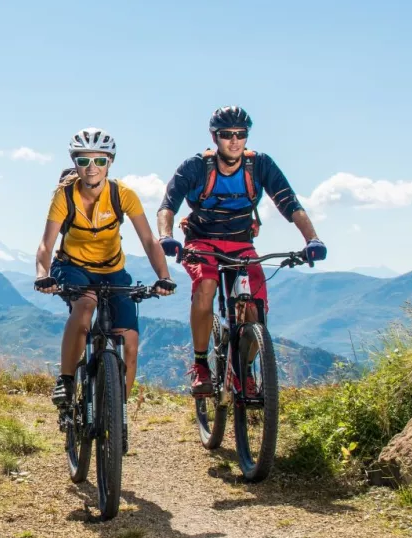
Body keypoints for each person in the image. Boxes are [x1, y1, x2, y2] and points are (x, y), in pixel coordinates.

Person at [155, 106, 326, 395]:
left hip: (241, 243)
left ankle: (243, 371)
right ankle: (200, 366)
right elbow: (167, 207)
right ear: (214, 137)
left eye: (240, 134)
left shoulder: (260, 165)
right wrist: (166, 236)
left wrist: (312, 240)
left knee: (254, 308)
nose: (234, 140)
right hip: (202, 242)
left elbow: (290, 204)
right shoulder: (196, 167)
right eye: (226, 135)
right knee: (206, 284)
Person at [34, 128, 176, 410]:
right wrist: (42, 274)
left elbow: (149, 240)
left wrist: (164, 277)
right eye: (84, 161)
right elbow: (46, 245)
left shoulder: (123, 195)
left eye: (99, 161)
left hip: (113, 270)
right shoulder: (65, 196)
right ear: (75, 163)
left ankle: (116, 413)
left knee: (130, 340)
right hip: (72, 267)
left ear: (110, 162)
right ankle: (66, 379)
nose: (91, 168)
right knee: (85, 306)